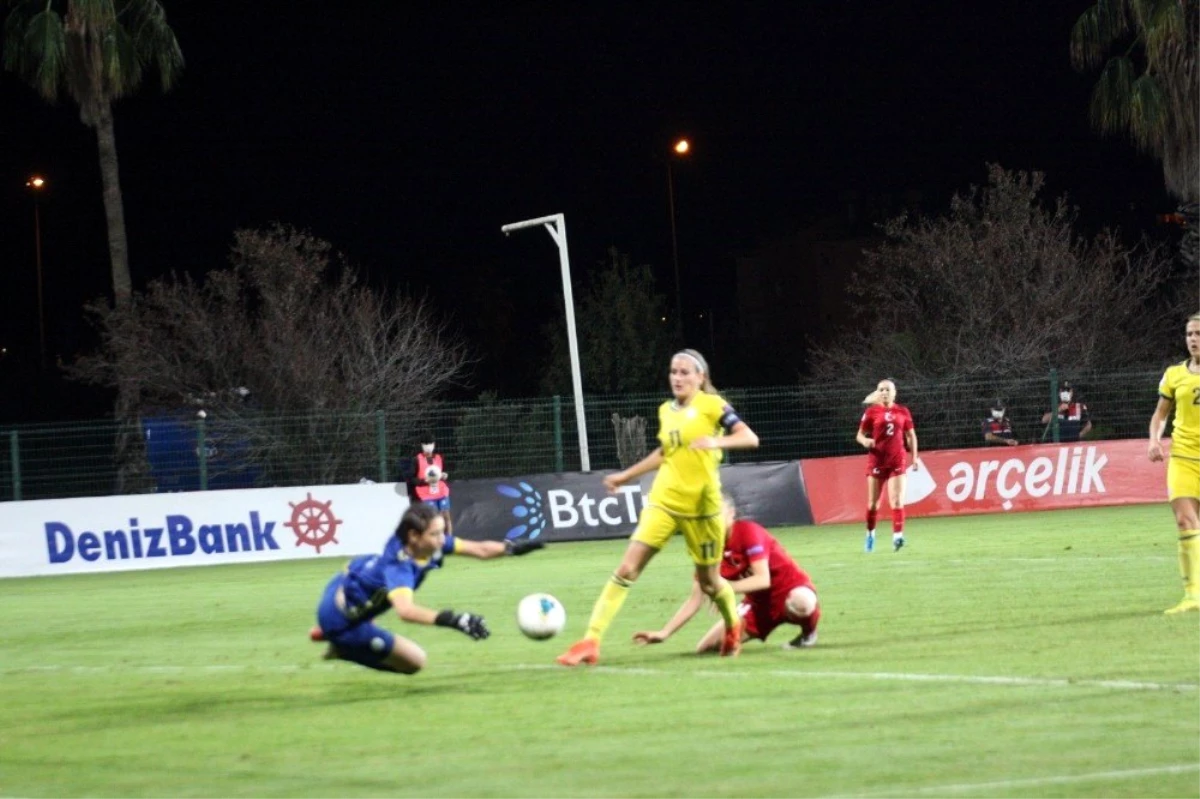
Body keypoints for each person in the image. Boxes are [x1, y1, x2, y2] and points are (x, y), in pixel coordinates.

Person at [556, 348, 760, 667]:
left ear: (700, 377)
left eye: (684, 372)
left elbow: (749, 437)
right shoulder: (666, 410)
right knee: (627, 568)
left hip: (703, 509)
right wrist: (626, 476)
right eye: (673, 372)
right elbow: (665, 452)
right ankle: (590, 641)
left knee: (708, 582)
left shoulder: (713, 405)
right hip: (664, 501)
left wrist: (716, 442)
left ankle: (733, 626)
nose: (677, 378)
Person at [308, 503, 543, 673]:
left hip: (345, 586)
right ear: (414, 536)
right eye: (435, 534)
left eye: (442, 532)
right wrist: (454, 620)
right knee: (415, 662)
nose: (443, 539)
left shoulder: (428, 546)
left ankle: (337, 631)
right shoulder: (399, 566)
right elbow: (406, 611)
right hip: (341, 617)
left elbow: (479, 549)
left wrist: (511, 548)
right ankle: (341, 645)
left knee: (372, 598)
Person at [632, 491, 820, 653]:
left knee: (801, 602)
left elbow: (762, 579)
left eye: (716, 513)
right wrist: (664, 633)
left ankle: (808, 634)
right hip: (757, 605)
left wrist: (723, 589)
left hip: (788, 590)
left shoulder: (748, 532)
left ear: (731, 514)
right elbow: (695, 599)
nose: (710, 520)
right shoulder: (705, 548)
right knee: (708, 647)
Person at [1149, 311, 1200, 615]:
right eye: (1189, 334)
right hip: (1182, 456)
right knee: (1185, 521)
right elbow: (1160, 414)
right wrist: (1155, 439)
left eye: (1198, 334)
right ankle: (1193, 595)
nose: (1193, 339)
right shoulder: (1174, 374)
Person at [857, 378, 920, 553]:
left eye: (887, 389)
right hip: (877, 460)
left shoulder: (903, 411)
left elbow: (911, 436)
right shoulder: (871, 412)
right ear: (878, 392)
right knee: (873, 504)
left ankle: (897, 537)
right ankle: (870, 534)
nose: (884, 392)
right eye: (881, 389)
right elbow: (860, 435)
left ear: (894, 392)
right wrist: (865, 442)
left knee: (898, 501)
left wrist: (914, 457)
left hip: (896, 460)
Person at [412, 435, 453, 534]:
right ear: (422, 445)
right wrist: (425, 481)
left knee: (446, 516)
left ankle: (449, 541)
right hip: (426, 494)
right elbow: (412, 479)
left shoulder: (439, 458)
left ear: (434, 445)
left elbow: (443, 472)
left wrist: (444, 475)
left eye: (430, 444)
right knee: (432, 519)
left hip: (441, 492)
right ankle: (432, 543)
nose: (428, 446)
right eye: (425, 444)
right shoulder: (417, 459)